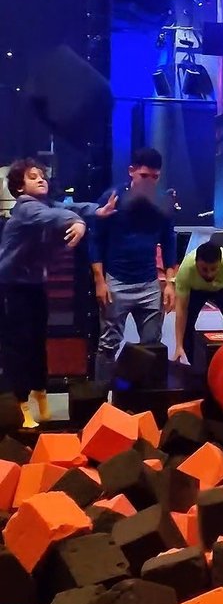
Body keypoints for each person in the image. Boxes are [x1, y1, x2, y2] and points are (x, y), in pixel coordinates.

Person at [0, 158, 116, 428]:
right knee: (19, 346)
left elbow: (69, 207)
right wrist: (79, 223)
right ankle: (20, 403)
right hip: (10, 286)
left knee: (39, 341)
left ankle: (39, 392)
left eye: (42, 175)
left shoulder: (46, 205)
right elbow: (57, 217)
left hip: (34, 285)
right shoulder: (25, 208)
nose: (41, 179)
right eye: (32, 177)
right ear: (20, 188)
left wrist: (98, 211)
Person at [90, 147, 177, 381]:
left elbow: (169, 243)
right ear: (131, 171)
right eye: (144, 176)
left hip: (149, 284)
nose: (149, 182)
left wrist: (170, 283)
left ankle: (145, 396)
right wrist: (99, 281)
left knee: (152, 346)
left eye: (155, 177)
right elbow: (95, 240)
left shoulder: (162, 202)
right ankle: (101, 396)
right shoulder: (112, 198)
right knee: (108, 344)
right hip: (116, 282)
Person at [172, 240, 223, 364]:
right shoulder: (186, 270)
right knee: (187, 325)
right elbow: (181, 311)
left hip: (222, 289)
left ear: (220, 263)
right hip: (196, 290)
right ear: (196, 264)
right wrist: (178, 345)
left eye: (214, 269)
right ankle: (190, 362)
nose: (209, 274)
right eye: (204, 269)